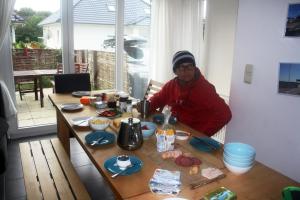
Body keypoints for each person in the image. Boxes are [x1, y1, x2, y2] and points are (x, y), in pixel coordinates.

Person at [148, 50, 232, 137]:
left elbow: (225, 114)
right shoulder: (172, 85)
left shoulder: (204, 88)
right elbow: (158, 98)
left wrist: (202, 134)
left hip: (193, 134)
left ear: (194, 68)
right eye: (181, 67)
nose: (186, 71)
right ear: (175, 71)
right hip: (176, 128)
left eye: (189, 67)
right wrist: (147, 105)